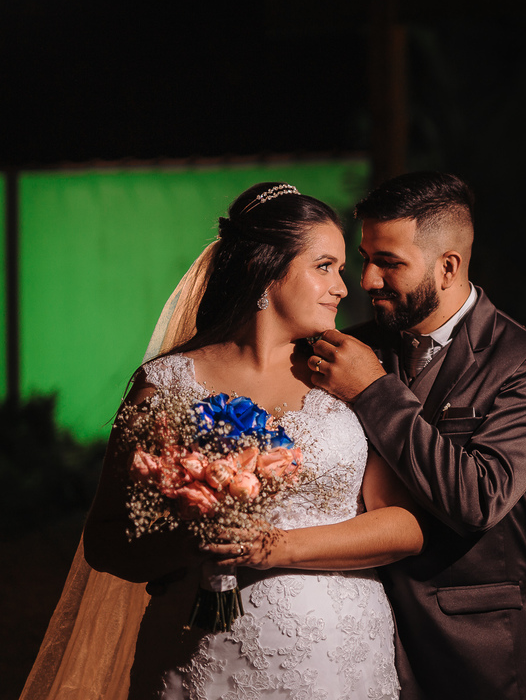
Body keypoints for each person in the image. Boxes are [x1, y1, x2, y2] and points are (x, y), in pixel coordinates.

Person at [29, 182, 424, 699]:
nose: (343, 287)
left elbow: (404, 527)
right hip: (199, 655)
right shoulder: (167, 384)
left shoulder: (346, 375)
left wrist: (274, 547)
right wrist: (192, 540)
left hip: (335, 657)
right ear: (265, 268)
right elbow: (105, 542)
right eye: (324, 266)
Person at [307, 171, 526, 700]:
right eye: (366, 258)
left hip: (474, 650)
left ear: (448, 266)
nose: (368, 280)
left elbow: (479, 499)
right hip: (351, 634)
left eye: (389, 263)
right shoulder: (348, 349)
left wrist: (374, 391)